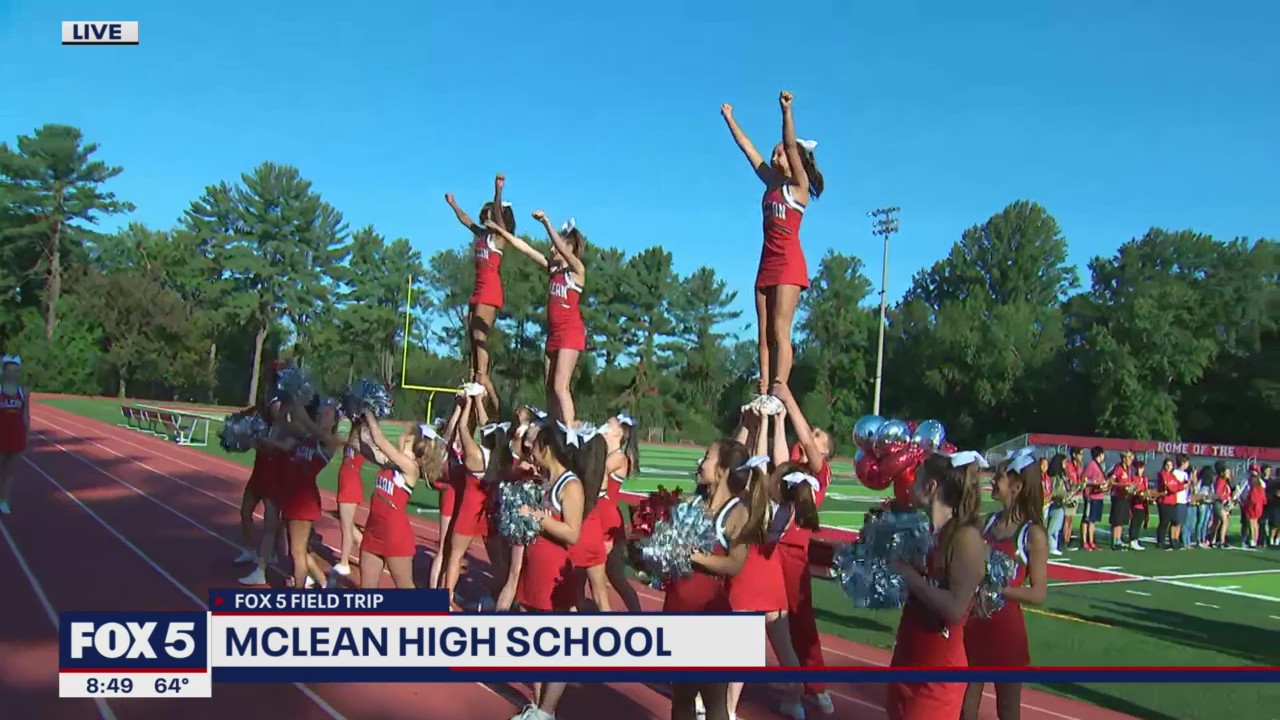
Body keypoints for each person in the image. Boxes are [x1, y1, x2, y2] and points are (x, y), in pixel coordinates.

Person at [720, 92, 824, 399]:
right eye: (775, 154)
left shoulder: (798, 188)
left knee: (781, 331)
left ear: (795, 161)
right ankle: (764, 388)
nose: (775, 157)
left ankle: (780, 387)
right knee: (763, 334)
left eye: (779, 154)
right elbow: (748, 149)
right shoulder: (771, 183)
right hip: (766, 262)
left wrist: (786, 113)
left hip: (789, 264)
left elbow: (790, 144)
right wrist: (730, 119)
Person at [885, 450, 987, 720]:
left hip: (938, 671)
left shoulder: (966, 538)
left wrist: (912, 578)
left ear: (931, 487)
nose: (909, 485)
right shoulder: (928, 532)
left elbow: (955, 609)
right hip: (908, 656)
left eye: (916, 479)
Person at [665, 437, 752, 720]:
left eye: (707, 457)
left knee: (714, 699)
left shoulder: (737, 512)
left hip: (709, 616)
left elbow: (735, 564)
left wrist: (696, 557)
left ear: (723, 470)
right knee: (681, 698)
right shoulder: (692, 503)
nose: (700, 463)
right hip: (677, 608)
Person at [726, 410, 804, 720]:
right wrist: (778, 420)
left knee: (742, 650)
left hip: (752, 575)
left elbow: (759, 465)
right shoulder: (789, 506)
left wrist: (762, 423)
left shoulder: (762, 502)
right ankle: (794, 701)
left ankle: (727, 709)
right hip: (774, 580)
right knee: (785, 650)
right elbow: (783, 466)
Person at [962, 449, 1049, 720]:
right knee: (964, 710)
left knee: (1007, 712)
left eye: (998, 477)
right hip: (975, 625)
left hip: (1005, 633)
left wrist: (998, 591)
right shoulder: (987, 523)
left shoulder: (1032, 533)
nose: (992, 481)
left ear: (1017, 486)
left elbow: (1038, 593)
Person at [509, 421, 585, 720]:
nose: (530, 450)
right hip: (534, 569)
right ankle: (537, 706)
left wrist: (538, 517)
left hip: (555, 574)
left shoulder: (570, 485)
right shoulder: (543, 480)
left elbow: (572, 532)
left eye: (535, 444)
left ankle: (547, 711)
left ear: (548, 447)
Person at [485, 212, 587, 427]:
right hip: (553, 335)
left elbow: (558, 245)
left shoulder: (577, 271)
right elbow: (525, 248)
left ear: (569, 249)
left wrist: (546, 223)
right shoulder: (553, 269)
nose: (552, 249)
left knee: (561, 386)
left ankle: (569, 435)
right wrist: (500, 230)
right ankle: (553, 428)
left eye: (558, 246)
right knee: (549, 387)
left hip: (570, 333)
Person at [770, 382, 835, 715]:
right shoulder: (789, 469)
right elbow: (781, 456)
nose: (808, 437)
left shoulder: (819, 473)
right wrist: (777, 418)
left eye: (817, 438)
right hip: (768, 550)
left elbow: (807, 442)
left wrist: (789, 397)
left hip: (793, 556)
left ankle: (814, 687)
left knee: (799, 621)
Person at [445, 174, 514, 413]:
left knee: (479, 334)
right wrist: (454, 204)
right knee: (471, 336)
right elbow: (465, 220)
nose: (484, 218)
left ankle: (482, 374)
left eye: (489, 215)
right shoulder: (482, 236)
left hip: (490, 290)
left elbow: (497, 213)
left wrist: (497, 191)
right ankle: (480, 378)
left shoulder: (499, 238)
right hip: (477, 289)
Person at [360, 414, 447, 588]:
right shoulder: (392, 463)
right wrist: (358, 421)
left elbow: (379, 440)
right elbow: (364, 446)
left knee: (405, 588)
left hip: (394, 535)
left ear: (413, 445)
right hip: (373, 530)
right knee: (366, 590)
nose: (401, 436)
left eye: (406, 437)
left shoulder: (410, 468)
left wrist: (369, 413)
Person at [279, 398, 344, 590]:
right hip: (291, 496)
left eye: (327, 414)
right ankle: (325, 583)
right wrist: (288, 403)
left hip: (304, 500)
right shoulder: (307, 435)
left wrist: (298, 407)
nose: (322, 417)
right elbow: (284, 424)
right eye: (319, 414)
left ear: (334, 421)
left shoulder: (330, 441)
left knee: (297, 553)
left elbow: (309, 426)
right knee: (300, 550)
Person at [442, 395, 492, 607]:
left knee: (455, 556)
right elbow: (486, 425)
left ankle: (446, 598)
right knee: (499, 561)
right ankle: (498, 599)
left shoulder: (473, 455)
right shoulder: (496, 455)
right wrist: (480, 402)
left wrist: (469, 402)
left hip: (468, 512)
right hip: (487, 511)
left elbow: (463, 428)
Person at [597, 413, 643, 612]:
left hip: (607, 519)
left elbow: (595, 471)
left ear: (618, 433)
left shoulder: (618, 458)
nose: (605, 426)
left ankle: (637, 614)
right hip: (598, 514)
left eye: (609, 424)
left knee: (616, 577)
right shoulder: (607, 454)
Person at [330, 421, 366, 584]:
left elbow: (345, 441)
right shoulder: (354, 433)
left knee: (345, 526)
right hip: (345, 482)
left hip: (350, 485)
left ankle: (344, 562)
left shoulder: (361, 439)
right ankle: (364, 544)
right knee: (347, 523)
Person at [0, 354, 29, 515]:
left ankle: (4, 500)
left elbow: (26, 415)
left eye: (15, 371)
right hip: (1, 433)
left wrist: (27, 433)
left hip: (15, 434)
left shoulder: (22, 392)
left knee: (9, 471)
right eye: (10, 371)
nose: (13, 374)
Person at [1080, 447, 1108, 550]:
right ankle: (1084, 541)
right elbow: (1084, 479)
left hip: (1099, 496)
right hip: (1091, 496)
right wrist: (1095, 483)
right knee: (1087, 519)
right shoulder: (1092, 465)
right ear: (1100, 454)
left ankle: (1091, 541)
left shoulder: (1100, 465)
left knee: (1093, 520)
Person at [1106, 451, 1135, 550]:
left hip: (1125, 497)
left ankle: (1118, 539)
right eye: (1129, 458)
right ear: (1124, 459)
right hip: (1117, 496)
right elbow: (1111, 481)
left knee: (1122, 520)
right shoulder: (1118, 468)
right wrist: (1122, 485)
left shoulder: (1129, 470)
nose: (1131, 461)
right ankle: (1114, 540)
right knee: (1117, 520)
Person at [1044, 454, 1070, 556]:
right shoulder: (1054, 476)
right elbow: (1053, 491)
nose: (1066, 464)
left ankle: (1053, 545)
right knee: (1052, 527)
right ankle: (1052, 546)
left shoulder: (1063, 475)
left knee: (1057, 527)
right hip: (1053, 503)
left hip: (1060, 503)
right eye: (1064, 462)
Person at [1128, 460, 1151, 550]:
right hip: (1135, 504)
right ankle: (1132, 540)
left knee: (1140, 522)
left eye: (1141, 468)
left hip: (1143, 504)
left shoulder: (1145, 479)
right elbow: (1131, 490)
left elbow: (1147, 490)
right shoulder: (1133, 478)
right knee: (1135, 522)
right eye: (1138, 468)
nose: (1139, 470)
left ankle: (1136, 539)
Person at [1241, 466, 1266, 549]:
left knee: (1251, 523)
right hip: (1259, 506)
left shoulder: (1249, 483)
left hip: (1251, 505)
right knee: (1255, 523)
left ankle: (1252, 541)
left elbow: (1248, 496)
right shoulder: (1261, 483)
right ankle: (1254, 540)